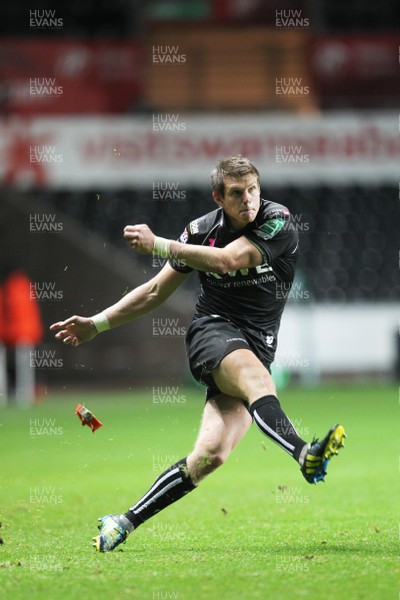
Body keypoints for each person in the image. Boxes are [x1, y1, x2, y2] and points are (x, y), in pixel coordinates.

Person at [50, 155, 346, 552]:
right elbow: (156, 292)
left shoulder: (279, 221)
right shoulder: (200, 231)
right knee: (258, 381)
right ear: (218, 198)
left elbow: (230, 260)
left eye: (253, 189)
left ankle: (123, 522)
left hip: (256, 344)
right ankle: (305, 454)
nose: (248, 200)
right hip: (213, 333)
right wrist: (97, 323)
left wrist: (158, 244)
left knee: (210, 455)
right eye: (237, 193)